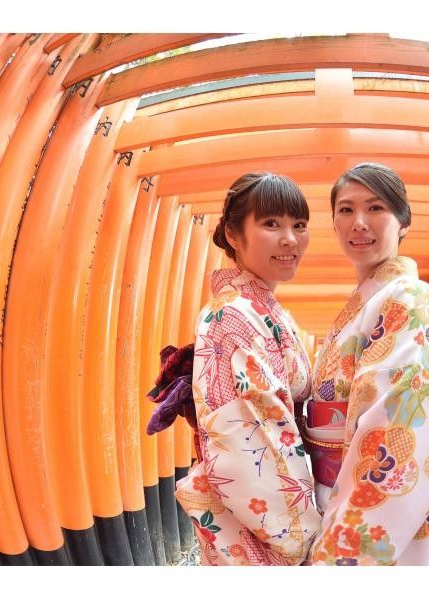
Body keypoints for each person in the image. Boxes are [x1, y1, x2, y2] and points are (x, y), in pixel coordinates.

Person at [303, 162, 429, 565]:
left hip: (366, 508)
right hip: (331, 493)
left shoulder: (412, 300)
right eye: (345, 210)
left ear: (403, 222)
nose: (359, 222)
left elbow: (399, 429)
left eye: (376, 208)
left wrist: (342, 554)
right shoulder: (365, 303)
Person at [171, 172, 321, 565]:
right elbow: (249, 434)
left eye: (299, 225)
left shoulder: (260, 309)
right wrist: (304, 532)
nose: (290, 238)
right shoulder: (234, 317)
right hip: (257, 522)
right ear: (234, 235)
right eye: (272, 223)